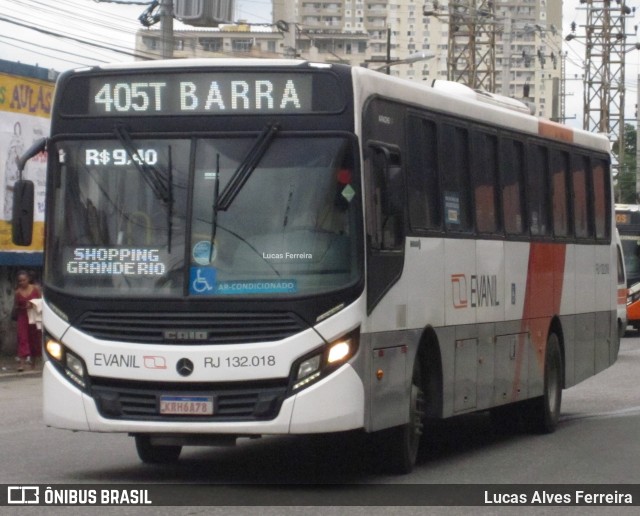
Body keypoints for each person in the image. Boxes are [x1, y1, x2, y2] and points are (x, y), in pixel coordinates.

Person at [14, 270, 42, 372]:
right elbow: (16, 305)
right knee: (22, 338)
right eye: (20, 281)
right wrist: (23, 307)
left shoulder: (36, 289)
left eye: (24, 280)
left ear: (28, 279)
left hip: (34, 316)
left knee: (34, 339)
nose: (22, 282)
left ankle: (33, 364)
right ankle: (22, 364)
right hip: (23, 316)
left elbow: (42, 301)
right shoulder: (17, 292)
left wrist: (33, 304)